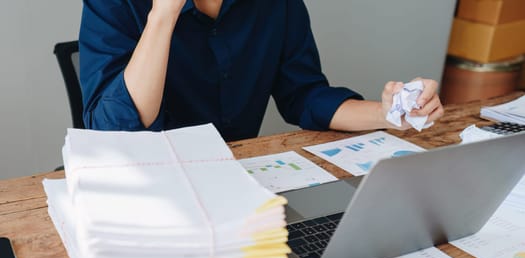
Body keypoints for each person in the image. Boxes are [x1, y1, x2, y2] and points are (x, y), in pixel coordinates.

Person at [79, 0, 444, 141]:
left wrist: (389, 112)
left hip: (235, 185)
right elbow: (113, 131)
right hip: (143, 193)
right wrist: (163, 13)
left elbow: (304, 96)